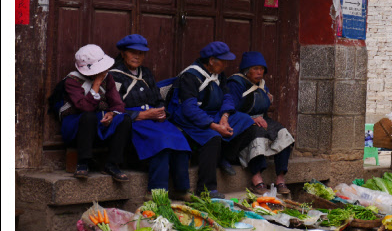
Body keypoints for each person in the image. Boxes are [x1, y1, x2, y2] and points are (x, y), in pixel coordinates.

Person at [167, 41, 255, 199]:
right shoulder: (190, 76)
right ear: (211, 61)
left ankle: (224, 157)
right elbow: (189, 109)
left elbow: (227, 96)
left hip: (215, 115)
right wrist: (213, 126)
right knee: (212, 137)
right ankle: (206, 189)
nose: (226, 65)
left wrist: (225, 116)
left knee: (247, 122)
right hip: (190, 118)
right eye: (223, 61)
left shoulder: (219, 75)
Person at [109, 34, 192, 201]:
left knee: (178, 137)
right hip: (133, 121)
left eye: (141, 53)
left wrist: (162, 112)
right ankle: (155, 192)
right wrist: (140, 115)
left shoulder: (145, 73)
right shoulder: (114, 75)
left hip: (153, 119)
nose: (137, 56)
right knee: (161, 141)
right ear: (123, 53)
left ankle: (181, 189)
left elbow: (157, 98)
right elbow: (112, 106)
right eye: (132, 52)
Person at [226, 51, 295, 195]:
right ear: (246, 70)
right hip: (242, 121)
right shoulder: (235, 83)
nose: (259, 72)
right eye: (255, 69)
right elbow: (229, 109)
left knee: (283, 133)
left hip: (261, 119)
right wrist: (250, 119)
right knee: (257, 135)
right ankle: (257, 179)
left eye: (262, 69)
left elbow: (263, 105)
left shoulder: (262, 84)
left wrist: (268, 99)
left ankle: (280, 179)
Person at [59, 44, 131, 181]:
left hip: (100, 121)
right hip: (77, 124)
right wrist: (97, 83)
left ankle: (112, 163)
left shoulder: (108, 78)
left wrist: (112, 114)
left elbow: (117, 103)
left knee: (124, 119)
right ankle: (83, 162)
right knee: (88, 116)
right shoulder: (72, 81)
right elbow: (85, 107)